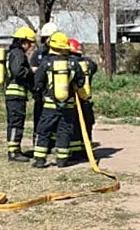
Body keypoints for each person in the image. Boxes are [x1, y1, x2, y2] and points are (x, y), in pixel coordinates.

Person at [31, 31, 79, 169]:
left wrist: (42, 91)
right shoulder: (73, 64)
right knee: (64, 131)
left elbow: (38, 82)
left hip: (50, 105)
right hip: (69, 106)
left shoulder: (46, 63)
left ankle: (40, 159)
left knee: (44, 130)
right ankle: (62, 160)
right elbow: (81, 82)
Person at [3, 25, 37, 162]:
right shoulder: (18, 53)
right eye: (29, 43)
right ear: (23, 41)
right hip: (15, 95)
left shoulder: (13, 53)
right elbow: (18, 72)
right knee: (15, 122)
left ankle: (16, 149)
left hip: (16, 94)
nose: (30, 46)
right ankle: (13, 152)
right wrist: (31, 71)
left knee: (16, 121)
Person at [67, 38, 98, 162]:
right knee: (87, 127)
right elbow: (94, 68)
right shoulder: (88, 64)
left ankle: (75, 153)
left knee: (74, 127)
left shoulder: (69, 63)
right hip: (86, 101)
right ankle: (87, 151)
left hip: (74, 102)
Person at [29, 22, 56, 148]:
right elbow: (32, 71)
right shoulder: (38, 54)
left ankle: (54, 142)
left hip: (56, 93)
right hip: (41, 92)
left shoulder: (61, 53)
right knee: (39, 117)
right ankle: (38, 141)